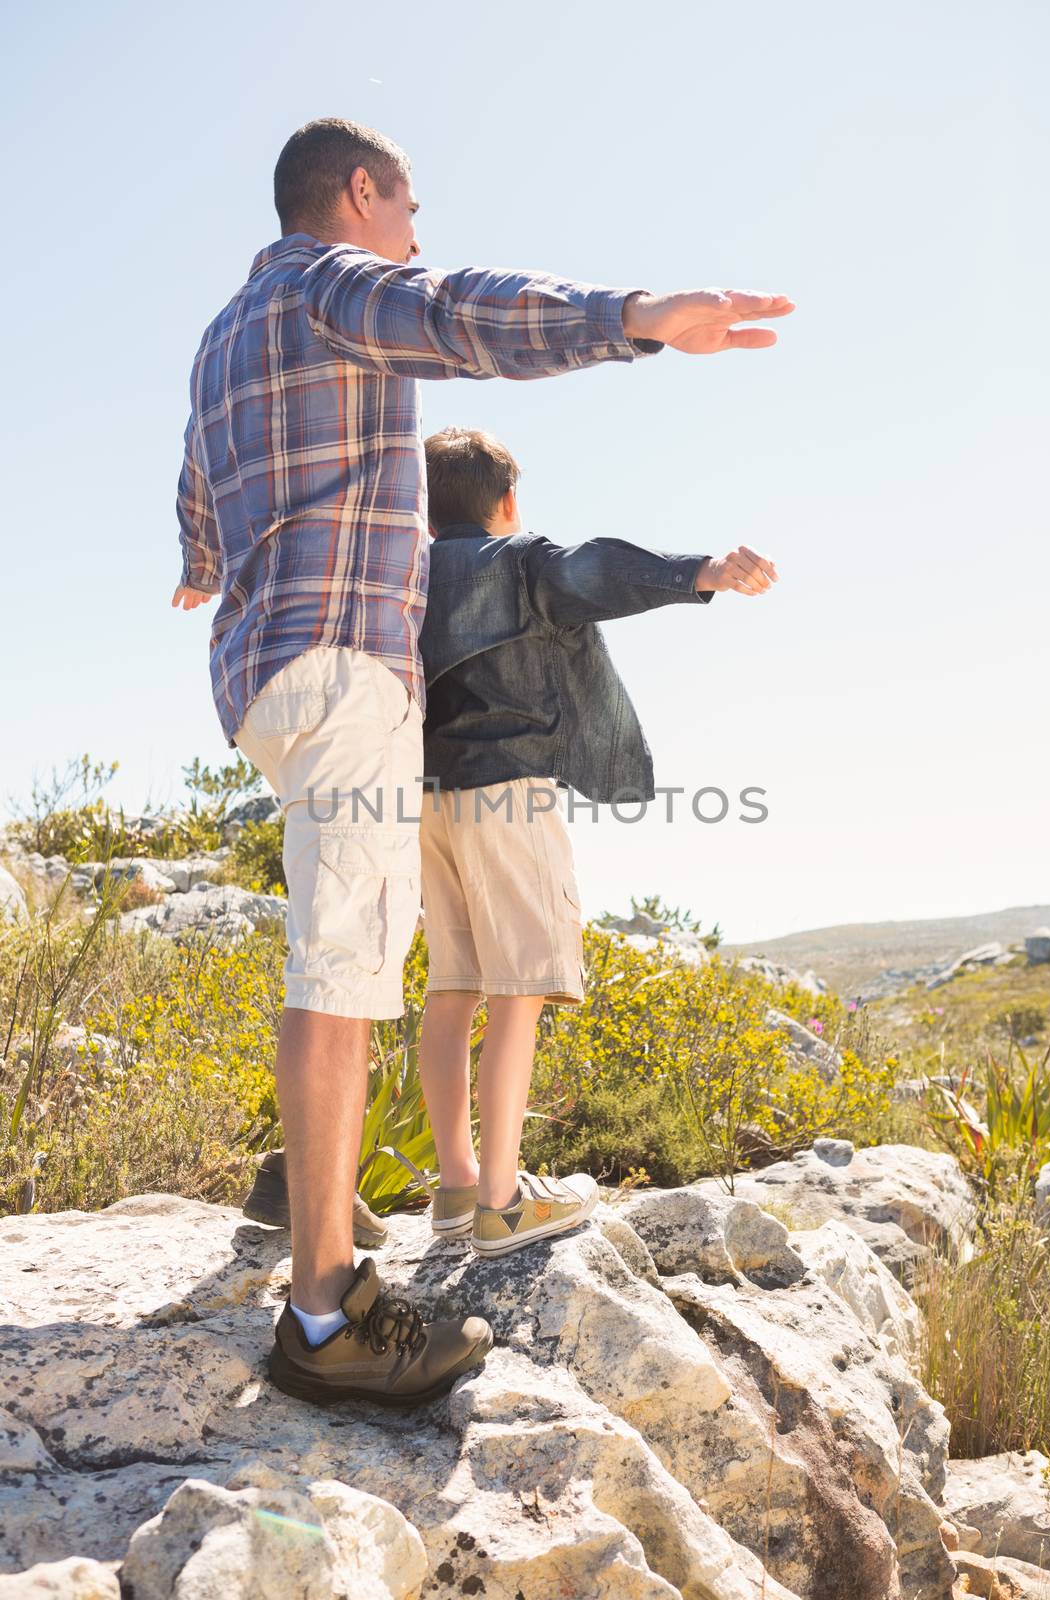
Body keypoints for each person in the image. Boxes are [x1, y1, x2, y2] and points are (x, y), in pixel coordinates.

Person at [171, 115, 793, 1408]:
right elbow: (457, 313)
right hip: (341, 656)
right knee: (342, 961)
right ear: (358, 192)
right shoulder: (324, 284)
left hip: (261, 669)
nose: (414, 232)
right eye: (406, 206)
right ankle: (326, 1315)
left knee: (355, 945)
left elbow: (196, 482)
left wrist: (199, 565)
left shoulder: (226, 333)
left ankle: (314, 1194)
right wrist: (631, 316)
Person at [416, 427, 778, 1255]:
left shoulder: (404, 573)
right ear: (504, 502)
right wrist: (701, 572)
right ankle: (504, 1205)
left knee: (452, 985)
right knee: (520, 988)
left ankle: (456, 1185)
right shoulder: (515, 558)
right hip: (508, 794)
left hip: (423, 801)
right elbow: (596, 568)